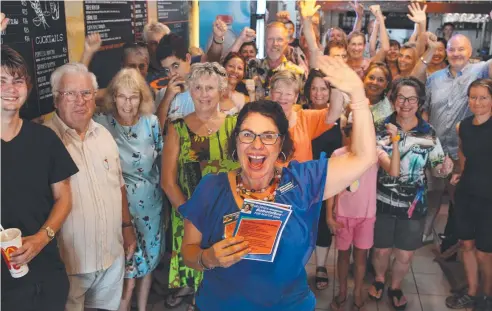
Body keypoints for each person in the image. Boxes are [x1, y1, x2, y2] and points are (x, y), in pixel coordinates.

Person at [177, 55, 378, 311]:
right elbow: (189, 252)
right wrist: (208, 258)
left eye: (268, 136)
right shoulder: (211, 188)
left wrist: (358, 97)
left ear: (281, 144)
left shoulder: (302, 181)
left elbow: (364, 157)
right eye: (248, 134)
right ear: (236, 141)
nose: (257, 145)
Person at [44, 63, 137, 311]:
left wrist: (127, 227)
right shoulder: (42, 142)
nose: (80, 101)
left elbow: (119, 186)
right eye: (70, 94)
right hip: (69, 266)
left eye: (86, 93)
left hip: (111, 257)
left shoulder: (104, 135)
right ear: (56, 99)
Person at [1, 45, 78, 311]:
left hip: (46, 272)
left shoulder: (44, 139)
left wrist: (41, 238)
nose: (10, 89)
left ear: (28, 86)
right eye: (1, 81)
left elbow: (64, 198)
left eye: (17, 81)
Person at [368, 77, 453, 310]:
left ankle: (395, 287)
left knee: (405, 254)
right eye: (401, 98)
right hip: (380, 200)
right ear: (393, 100)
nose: (406, 103)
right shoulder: (379, 127)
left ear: (420, 102)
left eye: (412, 99)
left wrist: (445, 168)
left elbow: (437, 165)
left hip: (414, 205)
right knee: (381, 249)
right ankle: (378, 279)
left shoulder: (428, 132)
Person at [161, 62, 239, 311]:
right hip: (187, 215)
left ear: (221, 91)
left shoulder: (234, 126)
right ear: (190, 92)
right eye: (197, 88)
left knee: (227, 273)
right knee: (197, 272)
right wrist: (190, 215)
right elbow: (167, 181)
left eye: (210, 88)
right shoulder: (177, 127)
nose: (204, 94)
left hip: (226, 215)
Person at [93, 68, 164, 311]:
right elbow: (85, 95)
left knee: (149, 263)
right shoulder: (102, 124)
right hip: (120, 206)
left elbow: (160, 159)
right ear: (113, 98)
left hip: (151, 204)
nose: (127, 103)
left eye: (133, 96)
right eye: (121, 96)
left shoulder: (151, 123)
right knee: (127, 272)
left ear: (142, 98)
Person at [422, 34, 492, 255]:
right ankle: (425, 237)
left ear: (470, 52)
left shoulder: (479, 70)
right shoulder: (434, 79)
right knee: (431, 194)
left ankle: (459, 244)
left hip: (462, 151)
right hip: (435, 149)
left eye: (461, 49)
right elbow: (426, 109)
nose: (456, 54)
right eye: (452, 49)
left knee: (458, 200)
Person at [327, 117, 400, 311]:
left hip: (366, 216)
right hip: (342, 215)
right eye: (354, 136)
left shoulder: (375, 154)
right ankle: (342, 291)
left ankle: (357, 291)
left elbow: (393, 171)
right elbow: (331, 187)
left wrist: (395, 142)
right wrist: (329, 215)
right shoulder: (338, 154)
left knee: (361, 257)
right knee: (343, 256)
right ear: (347, 135)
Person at [445, 79, 492, 311]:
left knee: (485, 252)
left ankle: (486, 295)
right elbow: (463, 153)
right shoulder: (462, 126)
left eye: (483, 97)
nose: (477, 102)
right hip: (467, 194)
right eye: (473, 97)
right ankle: (472, 291)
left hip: (489, 198)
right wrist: (459, 172)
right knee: (466, 244)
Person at [302, 69, 343, 290]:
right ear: (308, 91)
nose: (318, 93)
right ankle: (296, 267)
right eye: (314, 88)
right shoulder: (300, 115)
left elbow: (341, 153)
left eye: (323, 88)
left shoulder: (338, 117)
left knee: (323, 226)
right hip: (302, 180)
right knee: (300, 226)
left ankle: (320, 266)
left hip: (328, 178)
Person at [269, 70, 343, 163]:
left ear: (296, 98)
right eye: (278, 92)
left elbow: (333, 114)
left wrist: (335, 85)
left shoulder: (305, 118)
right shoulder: (261, 120)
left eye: (288, 93)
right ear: (271, 94)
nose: (282, 97)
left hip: (302, 177)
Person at [245, 22, 305, 99]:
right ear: (264, 42)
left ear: (286, 43)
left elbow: (301, 106)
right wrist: (240, 39)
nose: (275, 44)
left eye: (279, 39)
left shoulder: (298, 73)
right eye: (270, 39)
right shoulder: (252, 66)